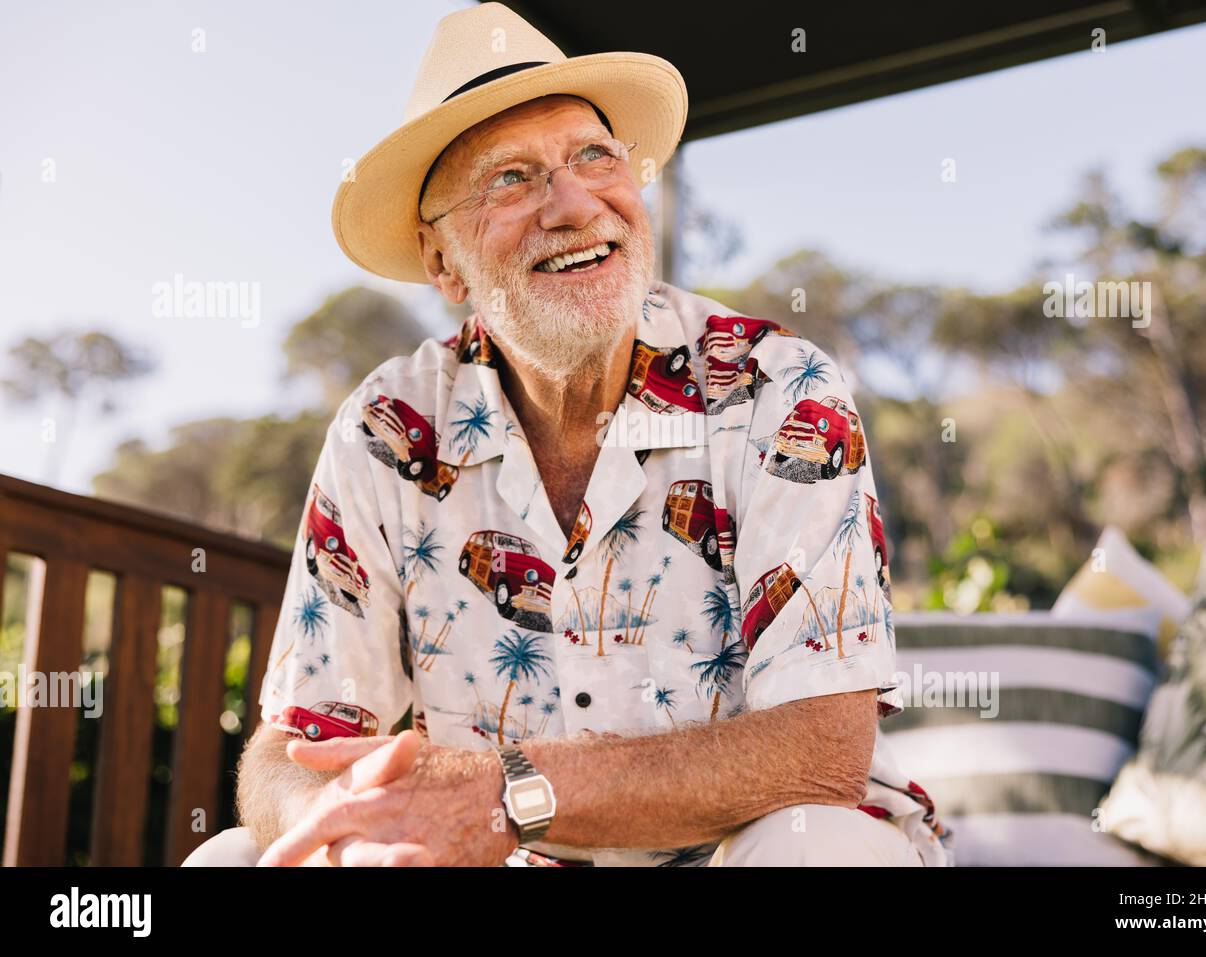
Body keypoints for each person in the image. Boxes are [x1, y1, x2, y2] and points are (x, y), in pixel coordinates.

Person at [184, 2, 949, 868]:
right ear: (443, 263)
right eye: (512, 177)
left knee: (824, 850)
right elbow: (292, 750)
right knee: (232, 860)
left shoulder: (780, 388)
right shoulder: (385, 429)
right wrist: (360, 828)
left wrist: (506, 793)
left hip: (748, 848)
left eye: (594, 155)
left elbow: (823, 751)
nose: (575, 203)